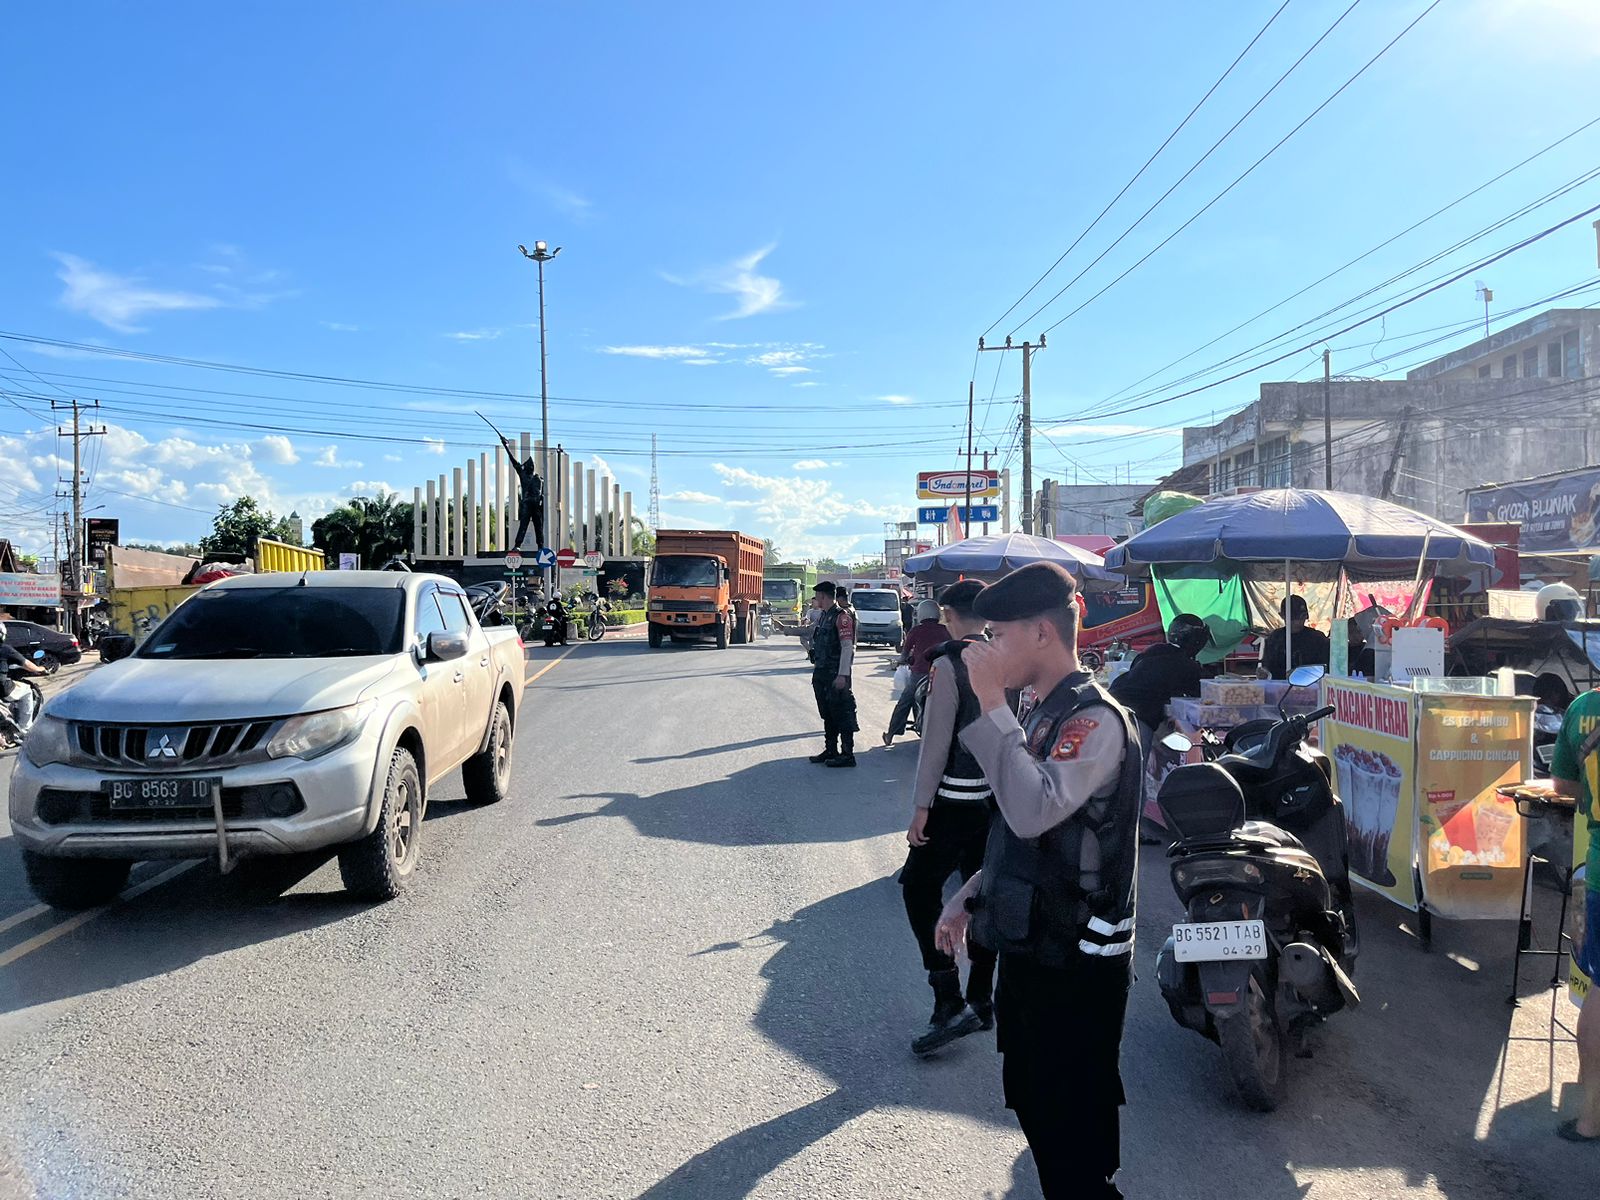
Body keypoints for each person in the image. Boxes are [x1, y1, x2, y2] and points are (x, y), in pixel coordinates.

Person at [933, 562, 1140, 1199]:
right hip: (1035, 946)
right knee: (1032, 1102)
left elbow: (1031, 812)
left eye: (997, 635)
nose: (987, 648)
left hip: (1077, 963)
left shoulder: (1093, 720)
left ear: (1042, 633)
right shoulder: (1045, 712)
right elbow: (1021, 832)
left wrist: (991, 702)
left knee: (1071, 1136)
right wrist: (970, 894)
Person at [899, 579, 999, 1055]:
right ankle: (981, 999)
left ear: (947, 614)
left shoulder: (949, 662)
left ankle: (948, 998)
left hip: (953, 801)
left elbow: (937, 740)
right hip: (997, 798)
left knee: (918, 888)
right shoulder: (1004, 657)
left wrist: (921, 807)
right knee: (983, 894)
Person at [1550, 686, 1600, 1144]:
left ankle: (1590, 1119)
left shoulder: (1583, 709)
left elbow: (1562, 787)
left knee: (1597, 994)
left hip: (1598, 870)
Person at [1109, 613, 1211, 751]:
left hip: (1110, 707)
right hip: (1135, 719)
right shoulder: (1186, 665)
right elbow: (1205, 697)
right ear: (1197, 640)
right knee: (1138, 765)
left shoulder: (1151, 652)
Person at [883, 599, 951, 746]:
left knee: (904, 702)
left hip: (919, 674)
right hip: (943, 674)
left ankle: (890, 734)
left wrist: (902, 660)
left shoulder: (916, 631)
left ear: (921, 613)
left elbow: (904, 653)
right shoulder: (946, 630)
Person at [807, 581, 858, 768]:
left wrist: (842, 675)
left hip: (836, 674)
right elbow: (812, 634)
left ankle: (847, 754)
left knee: (842, 712)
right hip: (821, 672)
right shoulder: (823, 616)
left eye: (818, 596)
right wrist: (786, 630)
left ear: (824, 596)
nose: (816, 600)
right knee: (827, 713)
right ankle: (831, 749)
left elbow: (847, 647)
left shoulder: (842, 617)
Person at [1258, 594, 1330, 680]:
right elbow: (1267, 664)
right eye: (1293, 619)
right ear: (1282, 616)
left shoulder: (1318, 638)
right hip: (1279, 687)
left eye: (1301, 618)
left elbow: (1325, 668)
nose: (1297, 622)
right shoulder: (1275, 638)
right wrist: (1264, 672)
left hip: (1311, 687)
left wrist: (1301, 673)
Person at [498, 433, 547, 552]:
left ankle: (540, 546)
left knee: (538, 527)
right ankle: (518, 545)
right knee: (523, 525)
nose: (527, 466)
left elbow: (544, 495)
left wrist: (542, 506)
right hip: (527, 504)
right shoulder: (524, 475)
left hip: (535, 506)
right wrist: (506, 446)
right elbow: (513, 461)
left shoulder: (539, 479)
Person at [0, 623, 46, 740]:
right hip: (2, 687)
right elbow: (28, 665)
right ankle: (24, 728)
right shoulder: (5, 649)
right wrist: (40, 669)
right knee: (26, 690)